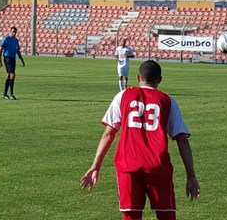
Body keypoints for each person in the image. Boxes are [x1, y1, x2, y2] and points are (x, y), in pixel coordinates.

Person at [81, 60, 200, 220]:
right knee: (166, 216)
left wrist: (95, 166)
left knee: (131, 216)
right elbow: (182, 140)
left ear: (138, 77)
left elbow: (108, 133)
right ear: (160, 79)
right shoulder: (167, 101)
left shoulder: (122, 96)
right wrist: (191, 176)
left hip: (128, 166)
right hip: (157, 167)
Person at [0, 26, 25, 100]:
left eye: (15, 32)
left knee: (8, 75)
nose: (14, 33)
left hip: (13, 58)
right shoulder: (6, 39)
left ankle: (4, 94)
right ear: (10, 31)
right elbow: (0, 49)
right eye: (13, 32)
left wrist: (21, 59)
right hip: (7, 58)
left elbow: (17, 51)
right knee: (13, 74)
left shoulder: (16, 40)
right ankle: (11, 94)